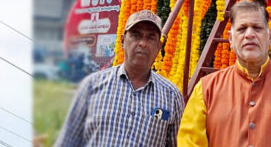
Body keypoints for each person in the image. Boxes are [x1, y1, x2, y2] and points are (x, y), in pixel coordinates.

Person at [177, 0, 271, 147]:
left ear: (270, 37)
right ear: (230, 39)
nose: (249, 34)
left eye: (257, 28)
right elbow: (189, 143)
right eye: (242, 29)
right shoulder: (206, 89)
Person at [55, 10, 184, 147]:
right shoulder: (92, 86)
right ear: (122, 41)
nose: (143, 43)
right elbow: (67, 142)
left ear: (158, 47)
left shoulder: (171, 96)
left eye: (150, 37)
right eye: (136, 35)